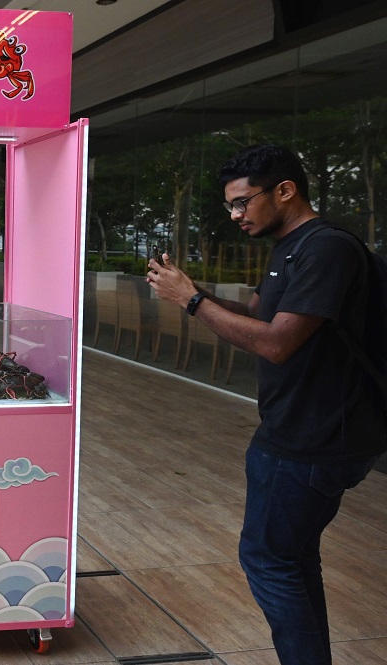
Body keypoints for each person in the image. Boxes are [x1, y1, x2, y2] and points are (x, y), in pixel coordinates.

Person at [146, 144, 385, 665]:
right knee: (293, 559)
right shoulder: (290, 248)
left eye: (242, 203)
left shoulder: (327, 249)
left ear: (285, 190)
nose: (235, 216)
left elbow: (277, 343)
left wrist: (191, 301)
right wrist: (191, 292)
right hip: (301, 430)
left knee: (268, 559)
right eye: (229, 206)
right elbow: (257, 317)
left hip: (312, 438)